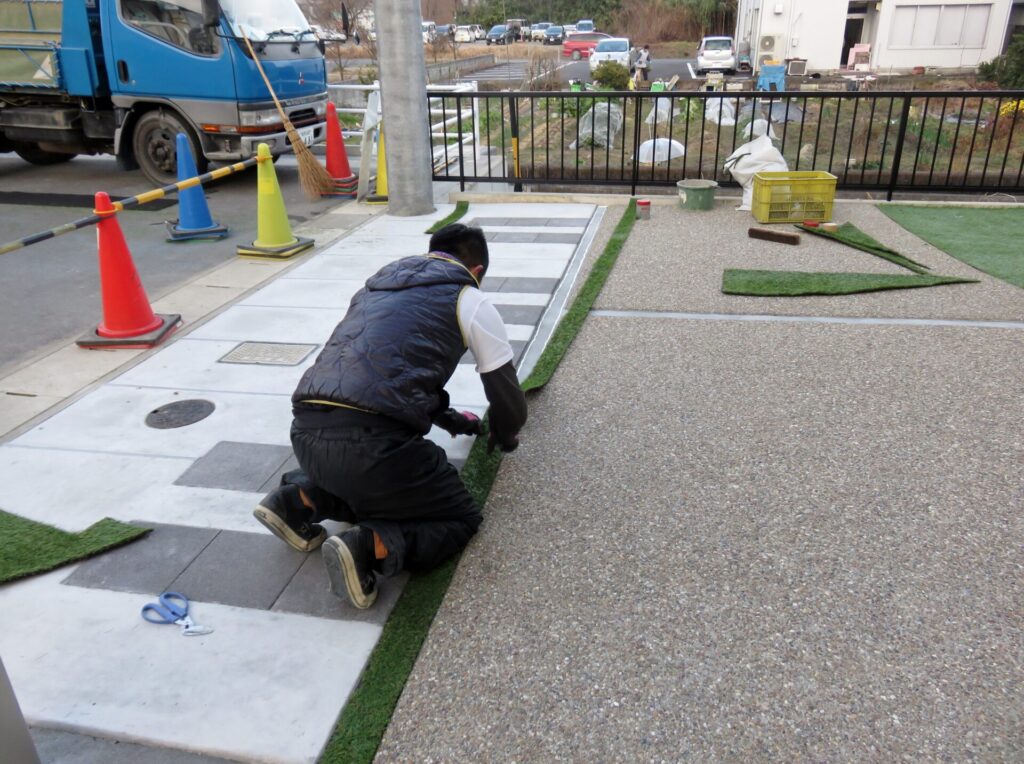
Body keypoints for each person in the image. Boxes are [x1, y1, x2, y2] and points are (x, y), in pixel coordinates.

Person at [253, 224, 527, 609]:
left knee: (369, 487)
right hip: (374, 450)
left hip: (306, 432)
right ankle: (367, 547)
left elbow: (386, 377)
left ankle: (295, 500)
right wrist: (506, 433)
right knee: (458, 518)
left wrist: (454, 421)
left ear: (432, 253)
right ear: (477, 271)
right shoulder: (469, 297)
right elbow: (506, 393)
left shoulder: (374, 288)